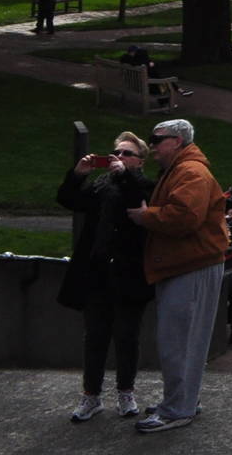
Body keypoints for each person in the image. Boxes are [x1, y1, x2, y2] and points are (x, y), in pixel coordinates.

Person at [125, 120, 230, 433]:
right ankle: (182, 400)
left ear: (179, 141)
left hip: (192, 266)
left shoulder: (191, 172)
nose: (153, 145)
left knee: (179, 342)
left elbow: (184, 217)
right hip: (186, 264)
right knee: (181, 340)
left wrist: (146, 217)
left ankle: (177, 409)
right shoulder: (182, 169)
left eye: (158, 139)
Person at [57, 131, 154, 423]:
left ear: (140, 161)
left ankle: (126, 391)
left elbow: (140, 199)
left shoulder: (144, 185)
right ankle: (91, 395)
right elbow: (67, 199)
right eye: (117, 154)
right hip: (97, 271)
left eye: (127, 154)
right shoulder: (100, 186)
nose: (119, 158)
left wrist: (124, 176)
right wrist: (78, 174)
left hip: (130, 272)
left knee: (127, 335)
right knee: (95, 336)